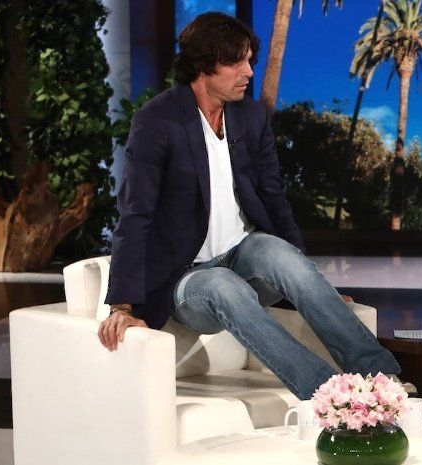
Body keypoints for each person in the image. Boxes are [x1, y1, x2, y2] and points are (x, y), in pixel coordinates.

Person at [98, 12, 405, 400]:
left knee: (280, 255)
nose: (247, 72)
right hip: (186, 279)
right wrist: (121, 306)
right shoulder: (157, 121)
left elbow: (274, 197)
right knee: (222, 284)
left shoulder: (251, 116)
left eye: (249, 61)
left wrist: (311, 287)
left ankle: (381, 381)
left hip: (242, 254)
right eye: (236, 62)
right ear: (203, 65)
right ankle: (329, 397)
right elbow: (135, 214)